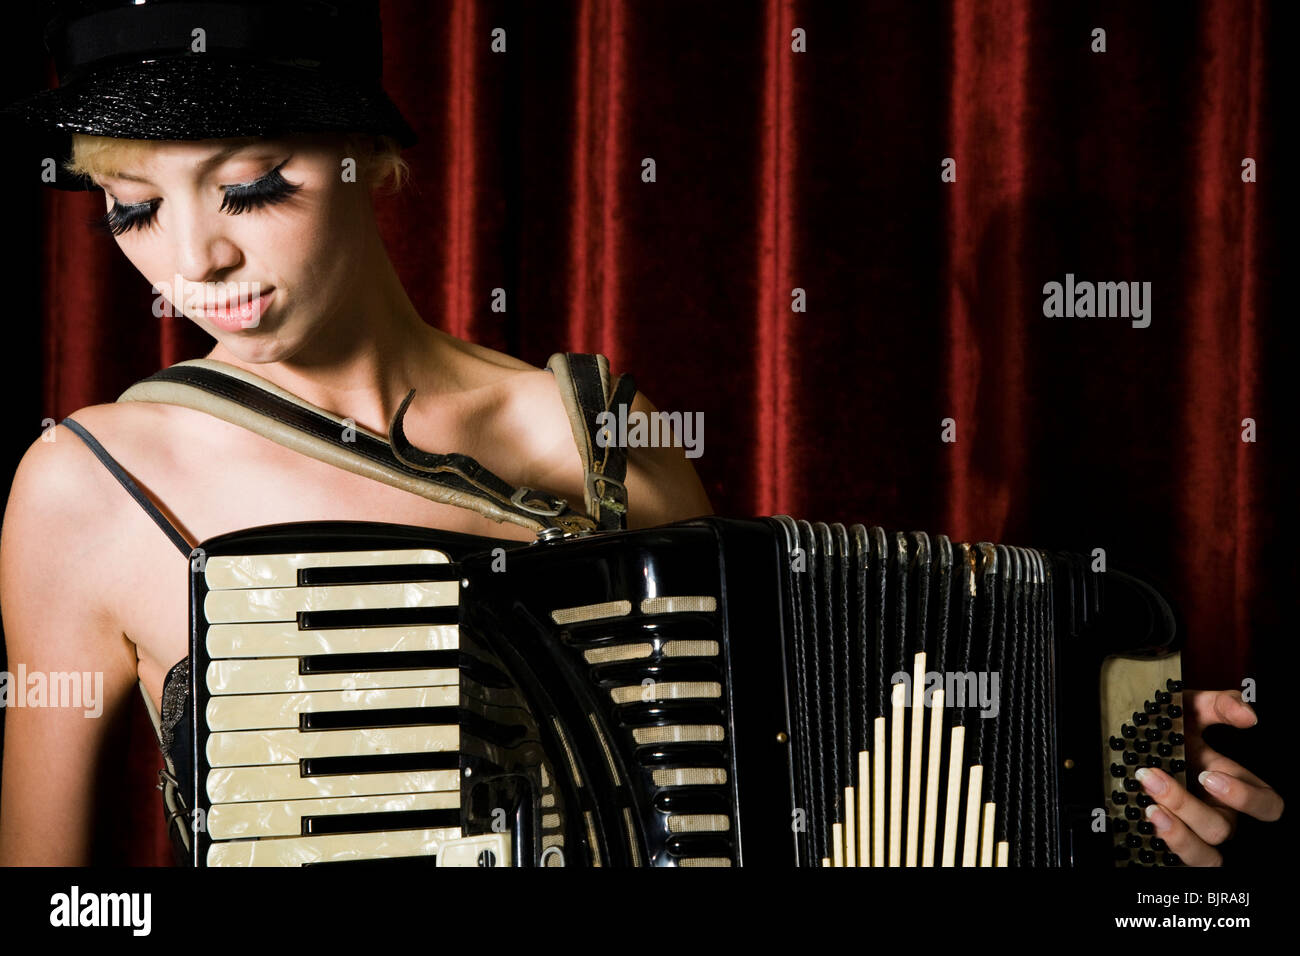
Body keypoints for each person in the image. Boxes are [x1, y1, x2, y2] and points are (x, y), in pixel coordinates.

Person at [0, 0, 1281, 868]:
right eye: (130, 209)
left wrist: (1110, 779)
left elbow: (774, 790)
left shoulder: (604, 428)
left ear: (362, 158)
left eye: (250, 185)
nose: (194, 260)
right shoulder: (88, 484)